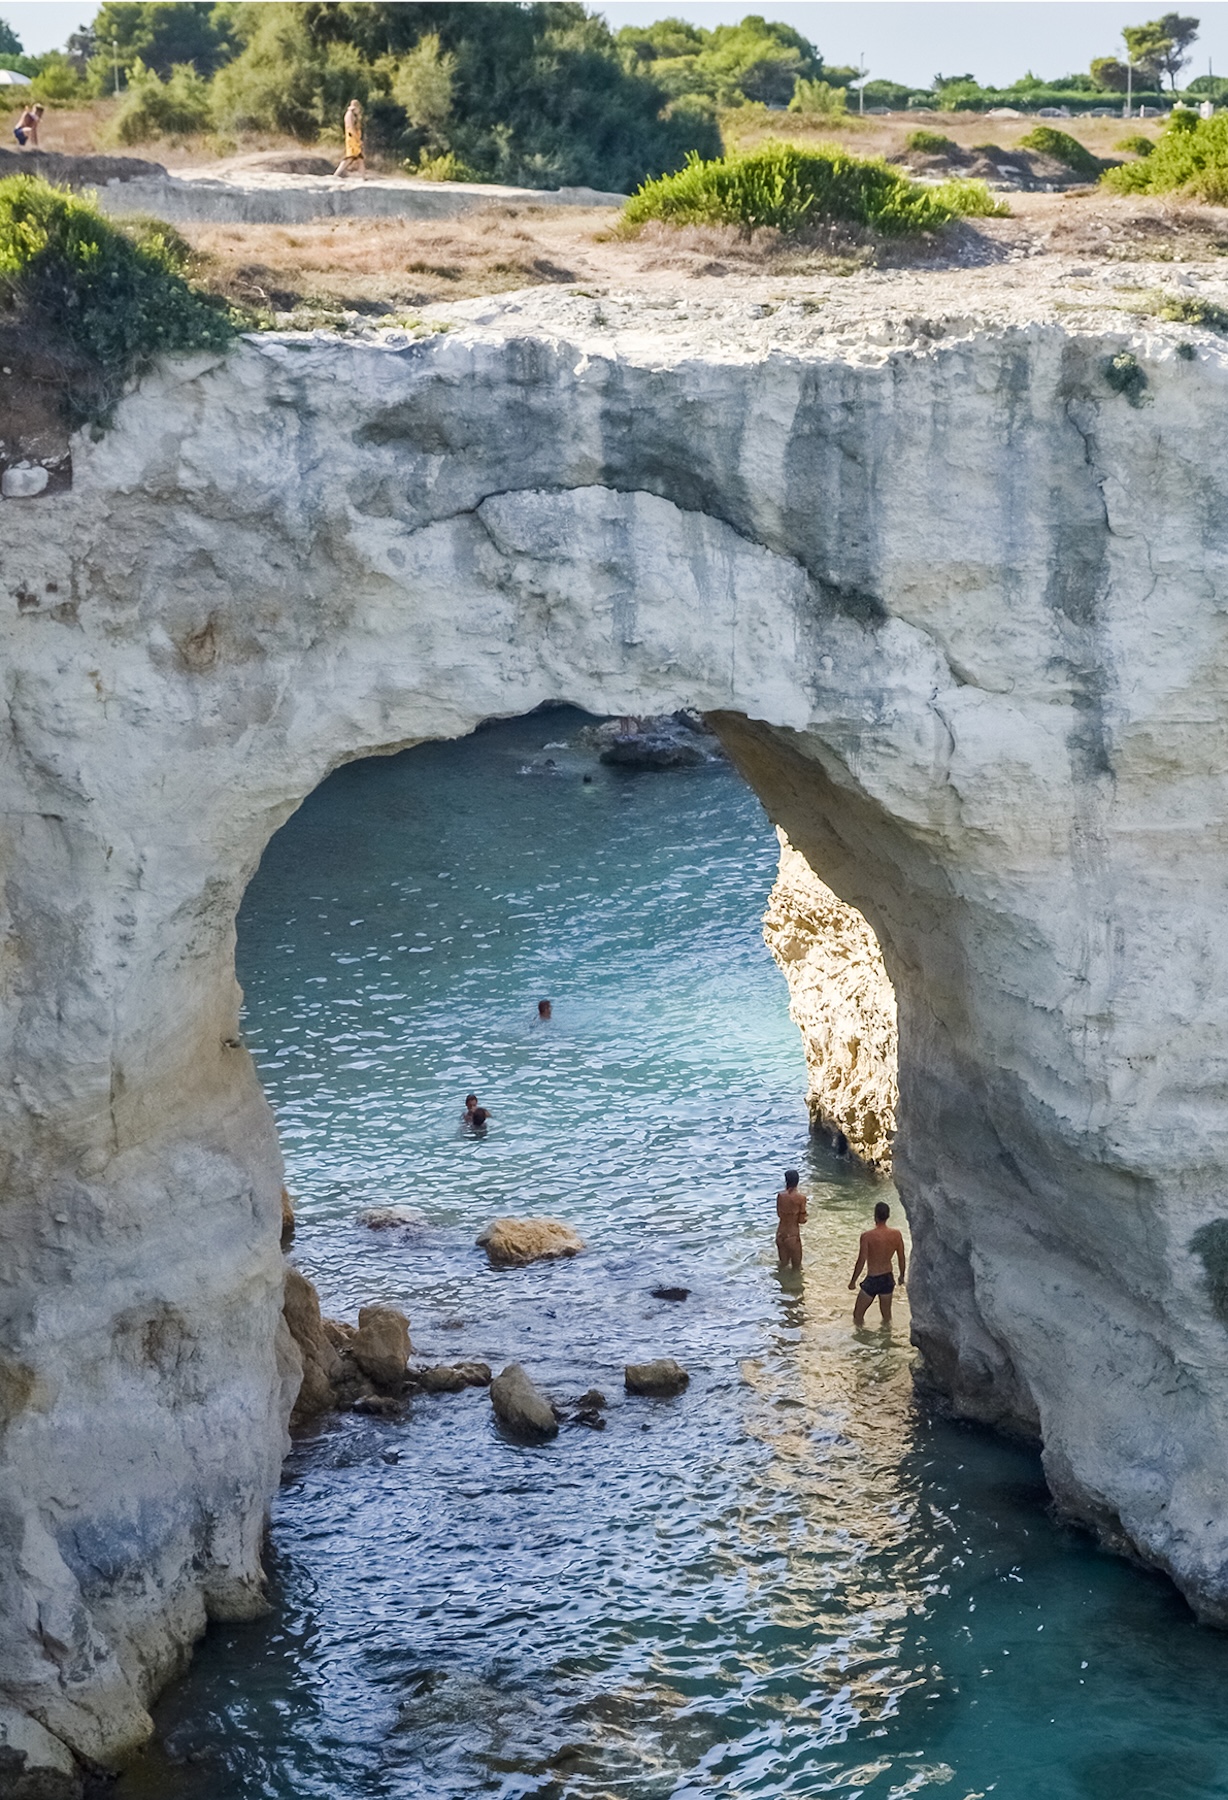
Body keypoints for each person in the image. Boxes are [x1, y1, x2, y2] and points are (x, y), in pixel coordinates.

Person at [849, 1200, 906, 1326]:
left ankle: (861, 1340)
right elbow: (901, 1257)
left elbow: (861, 1261)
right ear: (888, 1216)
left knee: (858, 1315)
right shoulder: (896, 1235)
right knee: (886, 1317)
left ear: (875, 1216)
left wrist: (853, 1281)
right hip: (887, 1278)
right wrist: (902, 1276)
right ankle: (886, 1341)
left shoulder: (867, 1236)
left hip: (873, 1280)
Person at [775, 1168, 808, 1270]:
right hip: (792, 1236)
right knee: (796, 1268)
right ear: (797, 1181)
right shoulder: (801, 1198)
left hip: (780, 1234)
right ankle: (793, 1285)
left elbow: (779, 1214)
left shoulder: (780, 1196)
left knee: (783, 1265)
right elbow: (801, 1221)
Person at [335, 98, 365, 177]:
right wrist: (357, 139)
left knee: (359, 158)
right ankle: (336, 174)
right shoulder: (349, 115)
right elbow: (351, 128)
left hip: (354, 139)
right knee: (350, 158)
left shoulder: (353, 115)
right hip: (352, 139)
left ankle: (363, 177)